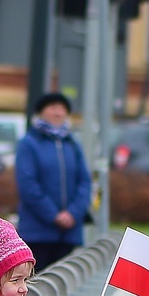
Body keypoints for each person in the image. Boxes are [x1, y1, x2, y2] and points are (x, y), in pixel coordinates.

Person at [15, 93, 92, 272]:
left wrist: (73, 213)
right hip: (38, 231)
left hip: (68, 234)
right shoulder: (29, 143)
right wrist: (53, 215)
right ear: (41, 112)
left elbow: (85, 182)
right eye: (52, 108)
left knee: (63, 284)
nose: (58, 112)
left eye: (62, 108)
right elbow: (28, 184)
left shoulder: (72, 144)